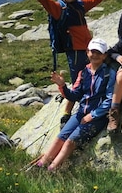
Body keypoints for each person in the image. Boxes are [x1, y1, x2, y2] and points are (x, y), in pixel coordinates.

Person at [24, 0, 118, 127]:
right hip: (74, 51)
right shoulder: (59, 8)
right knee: (79, 83)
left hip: (89, 49)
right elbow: (45, 1)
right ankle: (68, 114)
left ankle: (82, 107)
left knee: (91, 79)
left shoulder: (81, 4)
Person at [35, 38, 116, 171]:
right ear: (87, 52)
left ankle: (51, 170)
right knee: (60, 138)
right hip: (80, 114)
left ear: (104, 55)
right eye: (92, 51)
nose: (95, 55)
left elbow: (110, 100)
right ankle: (41, 165)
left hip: (98, 118)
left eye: (99, 53)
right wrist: (62, 86)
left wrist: (93, 115)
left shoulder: (109, 73)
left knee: (69, 142)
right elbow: (74, 96)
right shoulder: (83, 73)